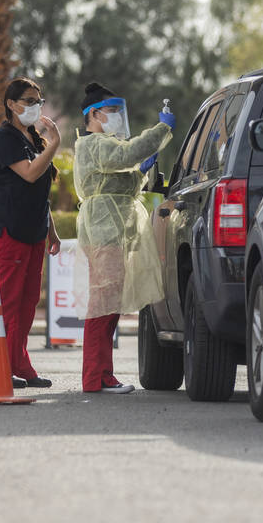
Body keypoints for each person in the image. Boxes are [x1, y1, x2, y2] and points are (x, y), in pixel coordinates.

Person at [73, 82, 173, 393]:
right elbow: (128, 153)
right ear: (94, 114)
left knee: (108, 305)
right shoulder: (95, 144)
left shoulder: (104, 146)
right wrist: (160, 131)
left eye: (119, 110)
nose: (117, 116)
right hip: (104, 233)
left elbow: (122, 176)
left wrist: (141, 172)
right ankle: (95, 378)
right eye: (112, 110)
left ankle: (102, 375)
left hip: (110, 231)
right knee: (103, 305)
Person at [0, 77, 62, 389]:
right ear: (11, 104)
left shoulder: (33, 139)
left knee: (28, 302)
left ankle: (19, 363)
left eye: (38, 101)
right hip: (11, 229)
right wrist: (55, 143)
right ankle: (2, 365)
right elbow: (30, 175)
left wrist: (52, 231)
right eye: (29, 101)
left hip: (34, 231)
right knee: (9, 301)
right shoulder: (4, 137)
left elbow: (41, 193)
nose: (35, 106)